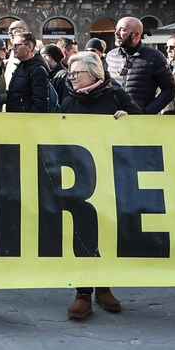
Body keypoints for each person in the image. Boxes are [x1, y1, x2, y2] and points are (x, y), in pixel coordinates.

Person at [58, 51, 140, 321]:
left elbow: (145, 126)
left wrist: (127, 118)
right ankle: (83, 293)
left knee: (107, 229)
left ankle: (104, 286)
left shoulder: (116, 95)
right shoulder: (67, 99)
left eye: (76, 73)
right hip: (78, 175)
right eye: (70, 73)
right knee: (82, 230)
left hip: (110, 173)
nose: (72, 77)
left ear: (94, 73)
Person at [105, 17, 175, 114]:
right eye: (116, 28)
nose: (116, 33)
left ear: (136, 35)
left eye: (122, 29)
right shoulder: (110, 56)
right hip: (112, 118)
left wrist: (147, 111)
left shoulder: (155, 57)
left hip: (139, 120)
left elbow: (170, 90)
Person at [5, 32, 51, 113]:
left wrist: (30, 121)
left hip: (26, 121)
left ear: (29, 47)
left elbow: (40, 102)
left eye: (17, 45)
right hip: (15, 118)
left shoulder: (38, 69)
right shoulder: (20, 66)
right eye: (12, 45)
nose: (13, 48)